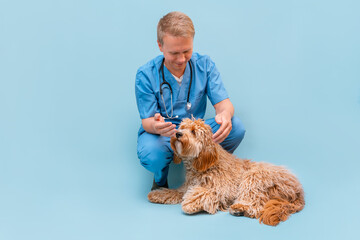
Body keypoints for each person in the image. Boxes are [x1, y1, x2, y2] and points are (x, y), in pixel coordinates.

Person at [135, 11, 245, 191]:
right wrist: (156, 127)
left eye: (187, 51)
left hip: (193, 132)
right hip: (165, 133)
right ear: (160, 46)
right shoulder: (145, 74)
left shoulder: (205, 65)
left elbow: (224, 104)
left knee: (236, 126)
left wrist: (225, 114)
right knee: (152, 153)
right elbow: (147, 121)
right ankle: (160, 180)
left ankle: (209, 170)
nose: (181, 59)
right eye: (174, 53)